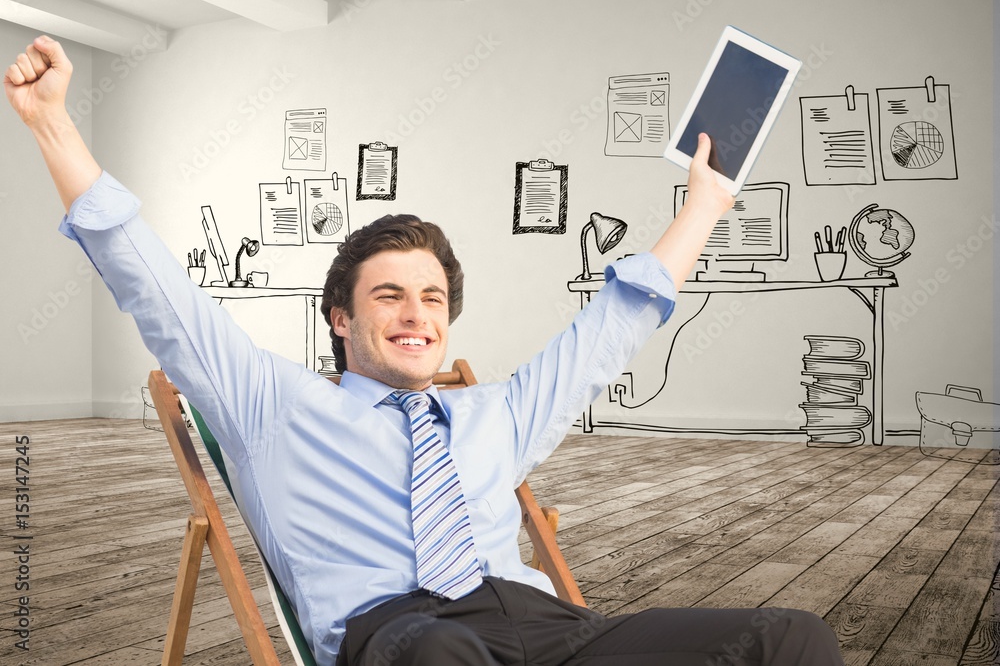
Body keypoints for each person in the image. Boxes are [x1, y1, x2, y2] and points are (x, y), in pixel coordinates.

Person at [5, 35, 845, 666]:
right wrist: (52, 127)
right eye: (389, 294)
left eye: (433, 298)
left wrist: (704, 203)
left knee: (791, 637)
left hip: (549, 629)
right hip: (403, 636)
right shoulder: (272, 403)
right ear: (340, 317)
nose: (417, 314)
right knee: (445, 657)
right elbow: (153, 287)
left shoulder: (495, 413)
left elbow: (614, 324)